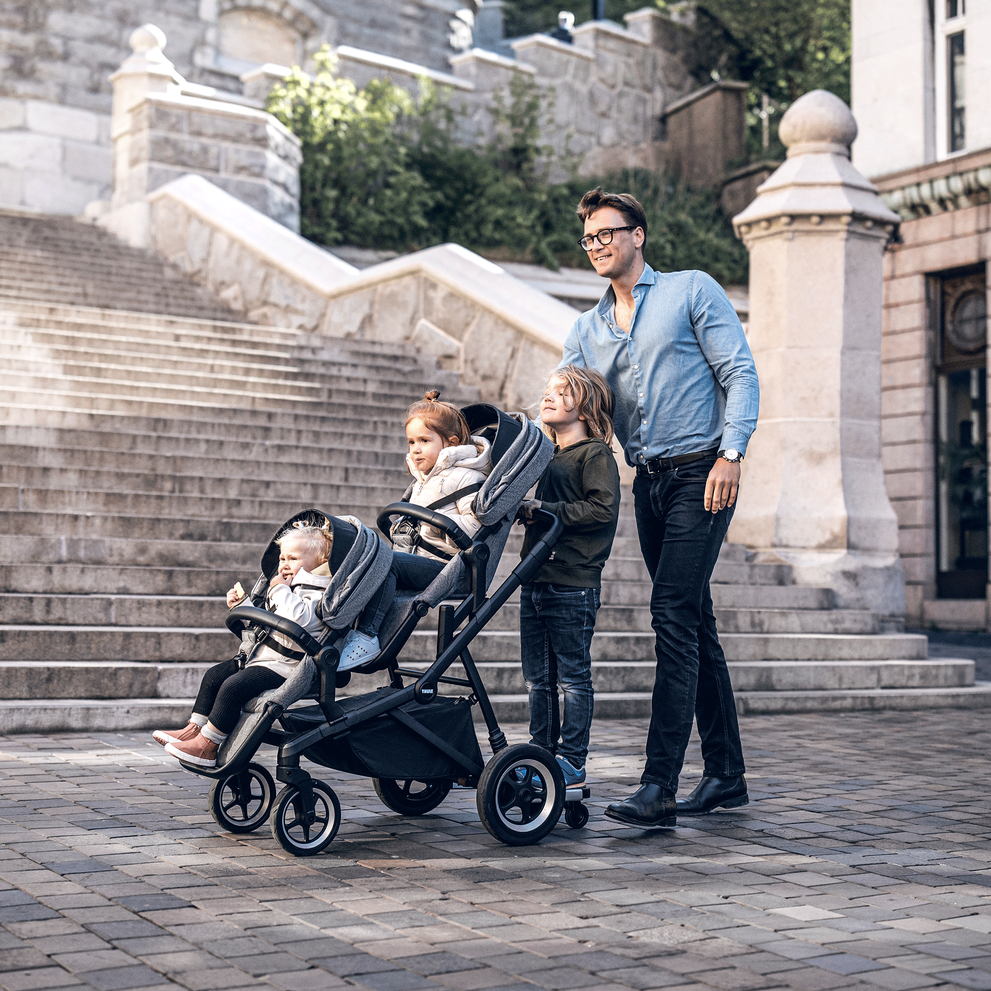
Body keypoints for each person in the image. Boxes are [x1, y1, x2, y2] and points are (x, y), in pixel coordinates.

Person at [562, 187, 759, 827]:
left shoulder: (690, 291)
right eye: (589, 238)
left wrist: (731, 455)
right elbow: (564, 402)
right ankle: (726, 774)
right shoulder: (586, 331)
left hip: (703, 472)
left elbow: (740, 373)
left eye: (608, 233)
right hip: (647, 481)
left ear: (638, 234)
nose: (599, 246)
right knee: (694, 619)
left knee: (672, 613)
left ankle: (659, 786)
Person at [152, 524, 333, 768]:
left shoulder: (319, 591)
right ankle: (193, 731)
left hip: (286, 666)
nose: (284, 564)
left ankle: (208, 745)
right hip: (263, 656)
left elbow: (297, 618)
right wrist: (243, 606)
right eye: (282, 558)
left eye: (294, 558)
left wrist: (279, 589)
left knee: (233, 687)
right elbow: (265, 624)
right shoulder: (288, 587)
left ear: (321, 561)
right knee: (214, 676)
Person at [517, 365, 620, 787]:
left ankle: (572, 762)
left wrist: (545, 510)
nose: (549, 396)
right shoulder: (546, 454)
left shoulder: (594, 453)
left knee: (573, 680)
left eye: (563, 392)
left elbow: (602, 509)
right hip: (536, 578)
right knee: (537, 680)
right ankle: (541, 756)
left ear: (586, 406)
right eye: (548, 390)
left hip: (573, 582)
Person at [337, 391, 492, 670]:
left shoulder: (467, 476)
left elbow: (473, 529)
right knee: (364, 554)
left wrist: (431, 525)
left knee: (386, 562)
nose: (415, 449)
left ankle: (367, 636)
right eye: (411, 442)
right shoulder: (423, 480)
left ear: (450, 443)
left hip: (447, 566)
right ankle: (340, 629)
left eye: (424, 441)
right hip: (419, 557)